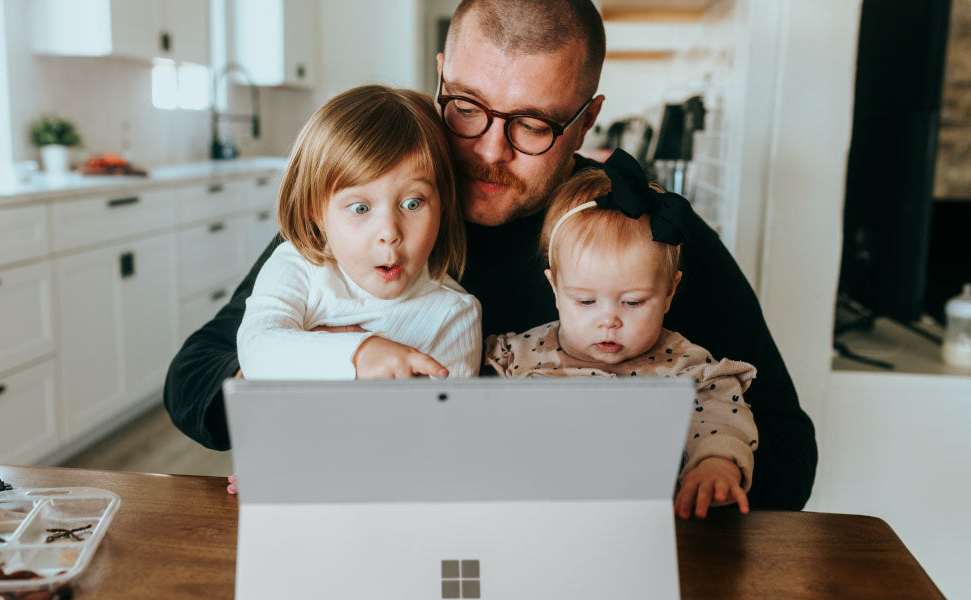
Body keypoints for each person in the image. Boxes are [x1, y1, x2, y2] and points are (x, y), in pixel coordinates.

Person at [165, 0, 818, 510]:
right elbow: (193, 378)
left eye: (533, 124)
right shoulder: (377, 211)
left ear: (586, 120)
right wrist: (315, 375)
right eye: (467, 108)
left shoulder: (639, 230)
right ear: (441, 76)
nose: (489, 151)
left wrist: (673, 460)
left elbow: (789, 445)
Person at [485, 151, 758, 519]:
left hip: (640, 524)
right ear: (555, 288)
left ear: (669, 293)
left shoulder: (687, 370)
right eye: (585, 301)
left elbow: (719, 421)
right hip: (535, 521)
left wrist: (716, 466)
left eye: (632, 302)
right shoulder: (516, 355)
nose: (609, 321)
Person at [236, 85, 481, 382]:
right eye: (361, 208)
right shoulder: (297, 267)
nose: (389, 233)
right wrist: (360, 354)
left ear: (443, 205)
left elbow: (445, 411)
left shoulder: (454, 315)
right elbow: (256, 348)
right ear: (316, 212)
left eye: (412, 204)